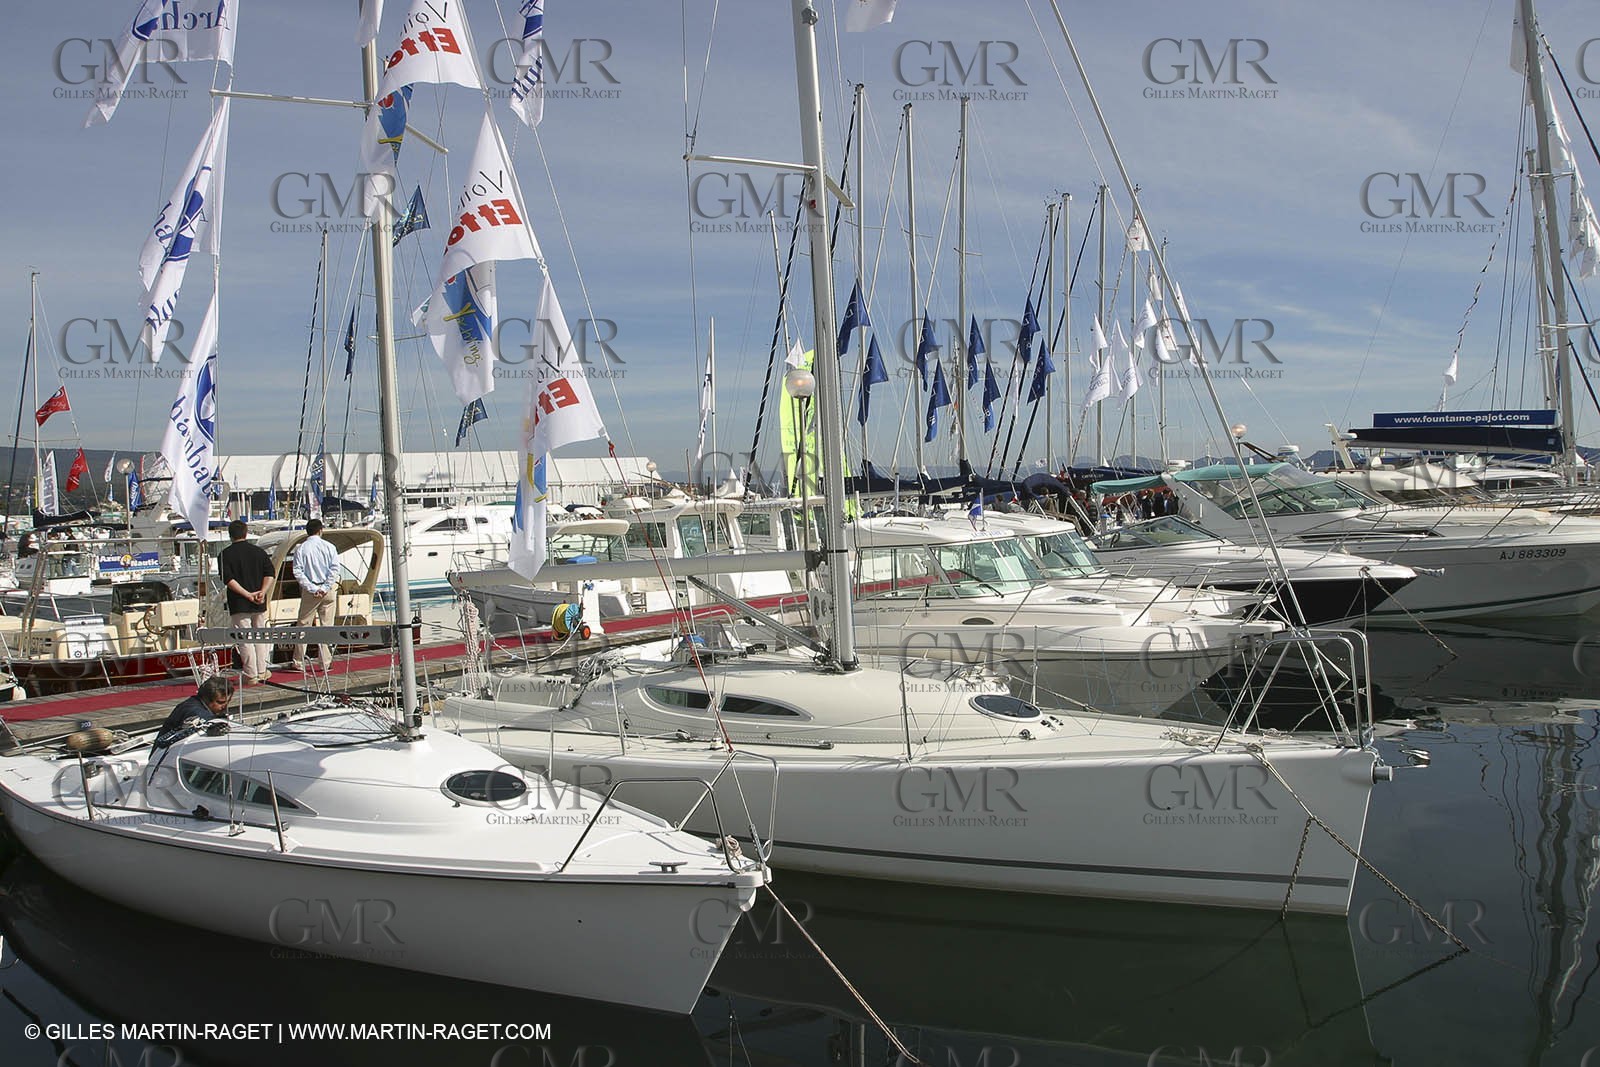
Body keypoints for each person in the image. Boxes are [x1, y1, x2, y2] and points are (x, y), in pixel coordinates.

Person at [218, 519, 275, 684]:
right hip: (259, 600)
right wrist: (262, 592)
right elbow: (269, 573)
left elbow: (228, 579)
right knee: (260, 636)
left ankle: (251, 674)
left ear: (230, 535)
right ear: (245, 533)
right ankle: (262, 670)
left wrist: (246, 594)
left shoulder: (225, 555)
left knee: (245, 638)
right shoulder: (259, 552)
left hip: (239, 601)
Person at [289, 519, 339, 673]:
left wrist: (312, 588)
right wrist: (324, 587)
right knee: (326, 626)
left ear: (307, 531)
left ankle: (298, 661)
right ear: (321, 530)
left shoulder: (301, 549)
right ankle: (325, 662)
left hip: (310, 591)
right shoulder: (330, 547)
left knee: (303, 625)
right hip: (328, 590)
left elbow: (297, 571)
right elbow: (334, 569)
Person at [155, 675, 234, 747]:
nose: (225, 706)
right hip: (164, 756)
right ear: (207, 699)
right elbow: (205, 719)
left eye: (229, 701)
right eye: (220, 702)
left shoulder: (194, 703)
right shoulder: (194, 711)